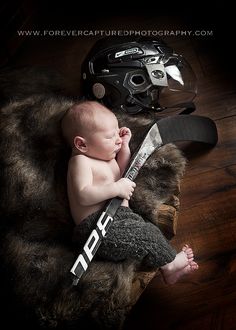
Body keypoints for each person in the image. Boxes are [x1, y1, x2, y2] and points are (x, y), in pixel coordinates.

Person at [61, 100, 199, 284]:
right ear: (82, 144)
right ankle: (170, 265)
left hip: (122, 218)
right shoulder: (81, 162)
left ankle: (168, 269)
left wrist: (124, 147)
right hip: (98, 229)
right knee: (146, 236)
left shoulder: (106, 158)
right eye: (110, 137)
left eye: (117, 132)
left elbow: (123, 173)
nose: (117, 139)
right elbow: (83, 195)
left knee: (150, 231)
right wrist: (116, 188)